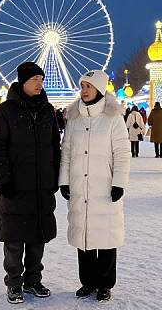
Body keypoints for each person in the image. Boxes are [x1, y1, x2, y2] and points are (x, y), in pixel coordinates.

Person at [0, 61, 61, 304]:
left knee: (37, 236)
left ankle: (33, 280)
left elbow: (55, 146)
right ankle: (14, 282)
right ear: (22, 82)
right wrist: (4, 180)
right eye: (34, 80)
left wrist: (55, 177)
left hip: (42, 186)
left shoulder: (48, 111)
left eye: (41, 79)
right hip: (16, 187)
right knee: (15, 238)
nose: (39, 83)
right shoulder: (6, 110)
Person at [59, 70, 130, 302]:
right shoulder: (74, 118)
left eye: (88, 86)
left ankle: (105, 284)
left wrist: (119, 182)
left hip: (104, 187)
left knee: (106, 236)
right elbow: (66, 152)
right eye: (82, 86)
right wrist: (65, 180)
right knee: (84, 236)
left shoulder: (113, 118)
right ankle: (88, 281)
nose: (84, 90)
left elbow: (121, 153)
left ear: (99, 88)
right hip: (80, 186)